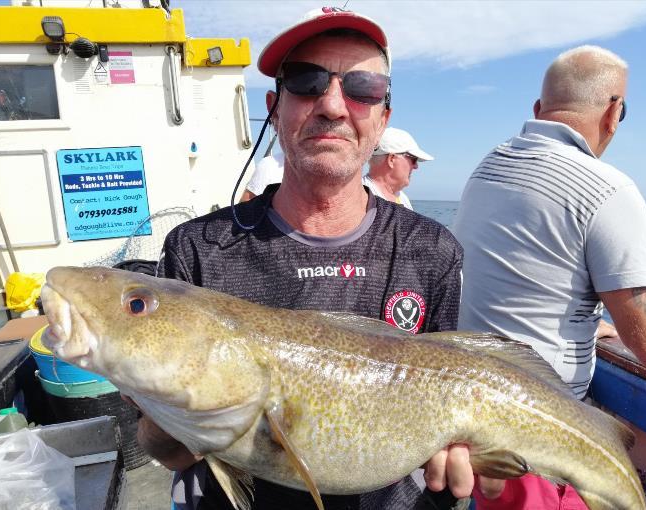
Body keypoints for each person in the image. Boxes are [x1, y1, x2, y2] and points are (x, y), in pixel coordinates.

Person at [139, 7, 466, 510]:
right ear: (275, 107)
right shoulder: (197, 249)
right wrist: (161, 412)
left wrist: (461, 454)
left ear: (383, 119)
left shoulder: (432, 249)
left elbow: (458, 397)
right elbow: (172, 456)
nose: (333, 105)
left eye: (363, 89)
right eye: (307, 81)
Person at [452, 45, 646, 508]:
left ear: (538, 110)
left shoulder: (488, 169)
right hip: (542, 446)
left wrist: (592, 323)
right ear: (615, 112)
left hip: (482, 438)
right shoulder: (606, 188)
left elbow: (527, 281)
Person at [363, 127, 434, 210]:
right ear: (391, 159)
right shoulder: (362, 197)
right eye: (414, 160)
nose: (416, 166)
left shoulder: (403, 198)